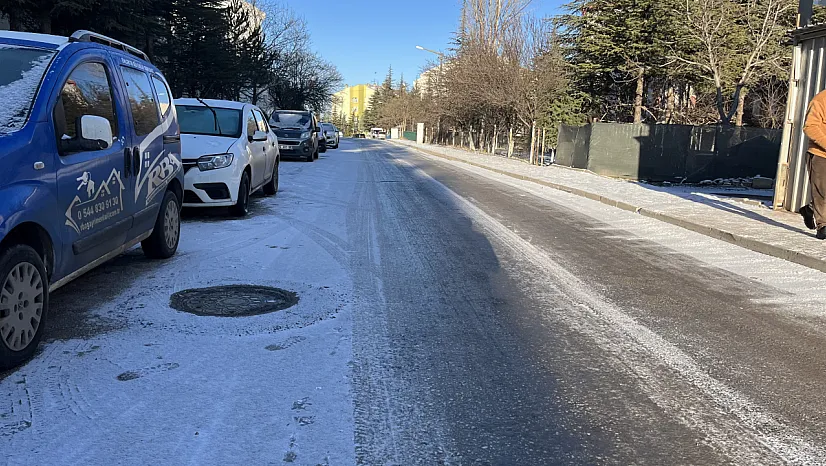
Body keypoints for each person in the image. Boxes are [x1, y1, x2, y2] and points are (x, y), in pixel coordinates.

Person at [802, 89, 826, 239]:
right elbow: (810, 126)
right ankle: (822, 225)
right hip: (820, 154)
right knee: (822, 192)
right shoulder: (820, 100)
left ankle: (810, 209)